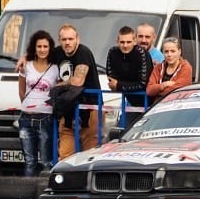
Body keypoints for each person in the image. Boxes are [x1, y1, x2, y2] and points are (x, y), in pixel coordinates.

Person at [50, 24, 101, 160]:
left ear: (77, 39)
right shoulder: (57, 52)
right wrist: (26, 57)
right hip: (67, 108)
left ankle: (88, 181)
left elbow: (78, 81)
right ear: (59, 40)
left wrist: (59, 84)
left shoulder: (83, 52)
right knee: (65, 154)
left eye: (71, 39)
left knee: (89, 154)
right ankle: (65, 180)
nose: (67, 43)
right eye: (64, 39)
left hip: (90, 108)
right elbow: (39, 54)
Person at [18, 30, 59, 176]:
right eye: (39, 46)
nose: (42, 50)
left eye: (45, 46)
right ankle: (27, 195)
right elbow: (21, 89)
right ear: (34, 48)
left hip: (46, 119)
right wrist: (28, 104)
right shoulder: (26, 65)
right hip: (26, 119)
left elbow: (58, 90)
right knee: (29, 162)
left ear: (50, 48)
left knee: (46, 162)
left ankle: (44, 194)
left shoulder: (55, 68)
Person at [105, 26, 152, 128]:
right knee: (120, 133)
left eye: (128, 42)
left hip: (150, 104)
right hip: (131, 104)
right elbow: (111, 79)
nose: (125, 45)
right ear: (117, 41)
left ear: (134, 41)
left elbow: (142, 84)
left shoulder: (141, 53)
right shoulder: (112, 52)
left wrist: (120, 85)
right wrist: (122, 84)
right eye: (122, 42)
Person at [147, 37, 193, 103]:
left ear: (179, 51)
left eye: (173, 51)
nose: (169, 54)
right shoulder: (158, 67)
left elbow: (179, 89)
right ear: (162, 52)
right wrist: (164, 85)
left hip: (177, 105)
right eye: (166, 51)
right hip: (158, 106)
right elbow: (149, 90)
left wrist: (158, 91)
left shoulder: (186, 67)